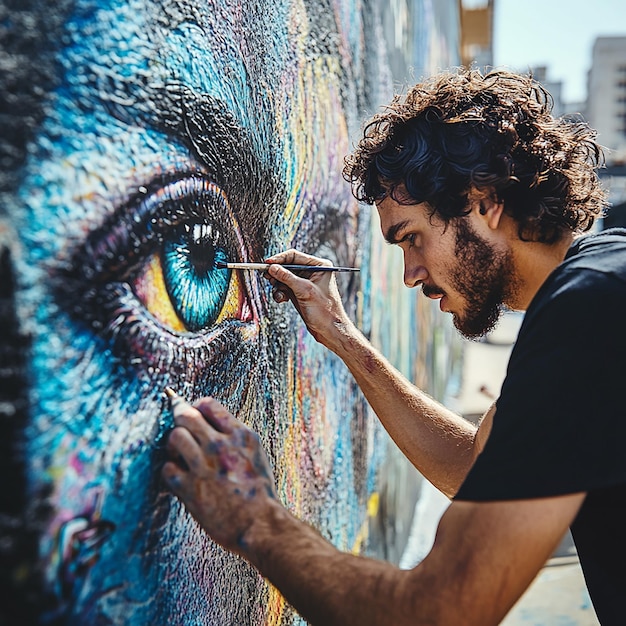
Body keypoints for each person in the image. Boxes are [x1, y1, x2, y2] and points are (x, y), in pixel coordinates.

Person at [162, 67, 626, 625]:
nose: (410, 274)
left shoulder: (589, 313)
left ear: (484, 201)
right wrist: (344, 337)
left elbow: (441, 610)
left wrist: (253, 519)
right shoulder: (601, 283)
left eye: (412, 238)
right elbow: (478, 467)